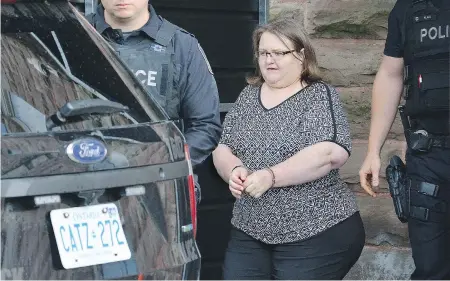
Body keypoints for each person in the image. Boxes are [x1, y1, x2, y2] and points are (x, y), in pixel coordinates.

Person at [212, 17, 365, 280]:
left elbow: (330, 153)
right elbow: (223, 147)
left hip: (316, 231)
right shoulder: (249, 95)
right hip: (251, 230)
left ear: (301, 55)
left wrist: (270, 176)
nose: (269, 60)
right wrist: (234, 170)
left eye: (279, 53)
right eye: (263, 53)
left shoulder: (318, 95)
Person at [84, 0, 222, 201]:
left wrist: (161, 162)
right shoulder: (70, 35)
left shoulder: (182, 46)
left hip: (160, 189)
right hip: (84, 185)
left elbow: (206, 126)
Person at [359, 0, 450, 279]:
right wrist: (373, 150)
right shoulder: (408, 8)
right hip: (429, 157)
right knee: (431, 267)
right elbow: (390, 74)